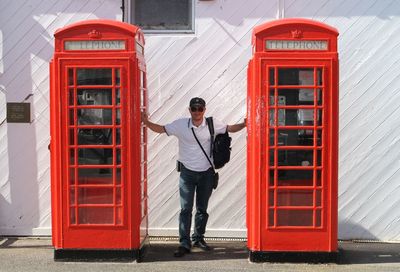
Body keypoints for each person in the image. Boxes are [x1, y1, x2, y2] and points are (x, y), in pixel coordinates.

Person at [141, 97, 246, 257]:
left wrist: (245, 124)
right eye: (194, 108)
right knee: (185, 209)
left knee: (202, 209)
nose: (197, 112)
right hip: (187, 174)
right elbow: (161, 129)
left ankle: (198, 239)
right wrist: (146, 122)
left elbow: (230, 128)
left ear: (204, 110)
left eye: (200, 109)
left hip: (206, 173)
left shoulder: (212, 123)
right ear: (189, 110)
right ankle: (184, 243)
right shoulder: (181, 125)